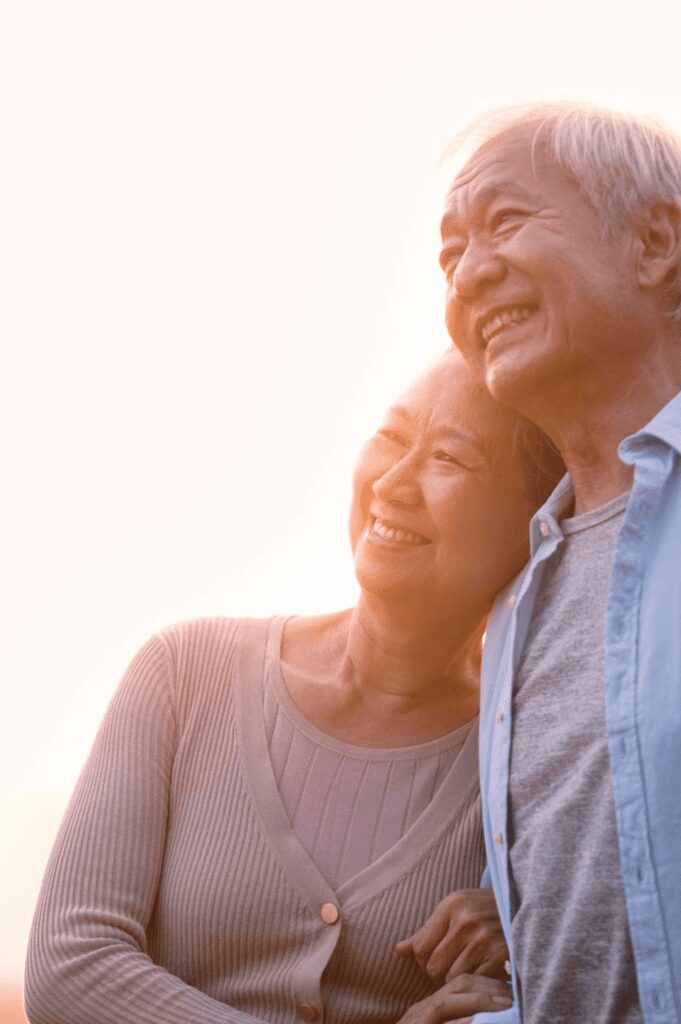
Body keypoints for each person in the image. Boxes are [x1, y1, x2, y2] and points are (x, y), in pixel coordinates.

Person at [24, 350, 562, 1024]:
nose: (393, 482)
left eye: (448, 460)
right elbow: (70, 969)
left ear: (532, 523)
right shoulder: (185, 672)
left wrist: (524, 928)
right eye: (391, 439)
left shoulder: (529, 757)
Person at [439, 102, 681, 1024]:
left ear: (653, 242)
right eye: (448, 254)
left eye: (503, 221)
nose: (469, 273)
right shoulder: (515, 602)